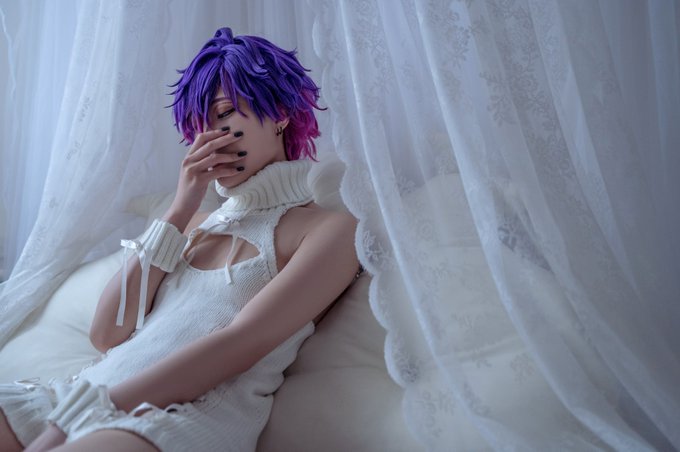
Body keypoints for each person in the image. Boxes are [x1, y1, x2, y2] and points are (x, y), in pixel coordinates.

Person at [0, 27, 360, 452]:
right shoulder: (192, 224)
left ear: (280, 112)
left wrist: (81, 418)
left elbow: (240, 344)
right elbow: (107, 333)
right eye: (199, 123)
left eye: (224, 112)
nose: (210, 134)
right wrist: (179, 209)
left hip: (177, 418)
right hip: (80, 395)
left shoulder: (330, 231)